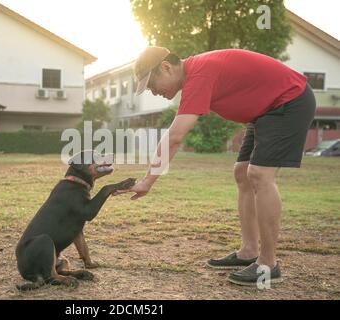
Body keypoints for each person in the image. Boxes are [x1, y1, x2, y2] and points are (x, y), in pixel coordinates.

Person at [115, 46, 316, 286]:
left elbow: (175, 137)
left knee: (260, 174)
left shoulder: (199, 74)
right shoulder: (195, 73)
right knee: (242, 172)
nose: (153, 91)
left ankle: (268, 264)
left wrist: (148, 181)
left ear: (167, 67)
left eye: (151, 84)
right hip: (265, 111)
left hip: (289, 100)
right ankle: (249, 251)